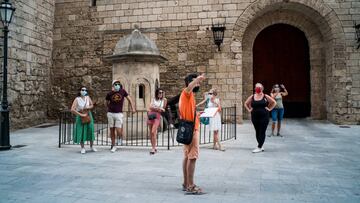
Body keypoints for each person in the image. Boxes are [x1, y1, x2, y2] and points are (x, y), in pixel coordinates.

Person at [179, 73, 206, 195]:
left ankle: (186, 183)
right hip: (192, 130)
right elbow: (189, 87)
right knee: (193, 157)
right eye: (197, 82)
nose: (198, 84)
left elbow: (188, 112)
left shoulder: (188, 96)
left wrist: (197, 114)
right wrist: (197, 79)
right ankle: (190, 185)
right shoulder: (186, 92)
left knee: (187, 156)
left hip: (188, 127)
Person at [105, 80, 136, 153]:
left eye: (118, 84)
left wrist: (133, 108)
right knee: (112, 130)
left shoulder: (123, 91)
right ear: (113, 85)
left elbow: (129, 99)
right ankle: (113, 145)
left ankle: (120, 137)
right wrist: (108, 109)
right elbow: (106, 102)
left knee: (118, 130)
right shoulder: (109, 93)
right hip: (111, 113)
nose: (117, 85)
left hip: (119, 113)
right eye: (115, 84)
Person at [244, 83, 276, 153]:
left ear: (262, 88)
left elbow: (274, 102)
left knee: (262, 131)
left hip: (264, 116)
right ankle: (260, 145)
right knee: (257, 131)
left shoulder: (265, 96)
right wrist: (249, 109)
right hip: (254, 117)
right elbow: (246, 103)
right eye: (256, 87)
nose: (257, 89)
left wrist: (269, 109)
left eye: (259, 87)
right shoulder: (252, 96)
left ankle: (259, 147)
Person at [70, 87, 97, 154]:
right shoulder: (77, 99)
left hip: (88, 114)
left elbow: (92, 105)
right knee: (81, 131)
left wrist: (88, 107)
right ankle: (82, 147)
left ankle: (92, 146)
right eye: (82, 90)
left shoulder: (87, 97)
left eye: (85, 90)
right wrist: (80, 115)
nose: (84, 91)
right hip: (81, 115)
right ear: (79, 91)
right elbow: (72, 109)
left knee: (90, 129)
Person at [147, 88, 167, 155]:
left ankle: (153, 148)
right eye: (159, 92)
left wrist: (156, 108)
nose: (160, 94)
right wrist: (157, 108)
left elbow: (163, 109)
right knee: (151, 132)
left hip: (157, 117)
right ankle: (153, 147)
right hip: (151, 115)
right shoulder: (153, 99)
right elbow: (150, 107)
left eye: (161, 92)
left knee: (153, 132)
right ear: (157, 93)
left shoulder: (164, 100)